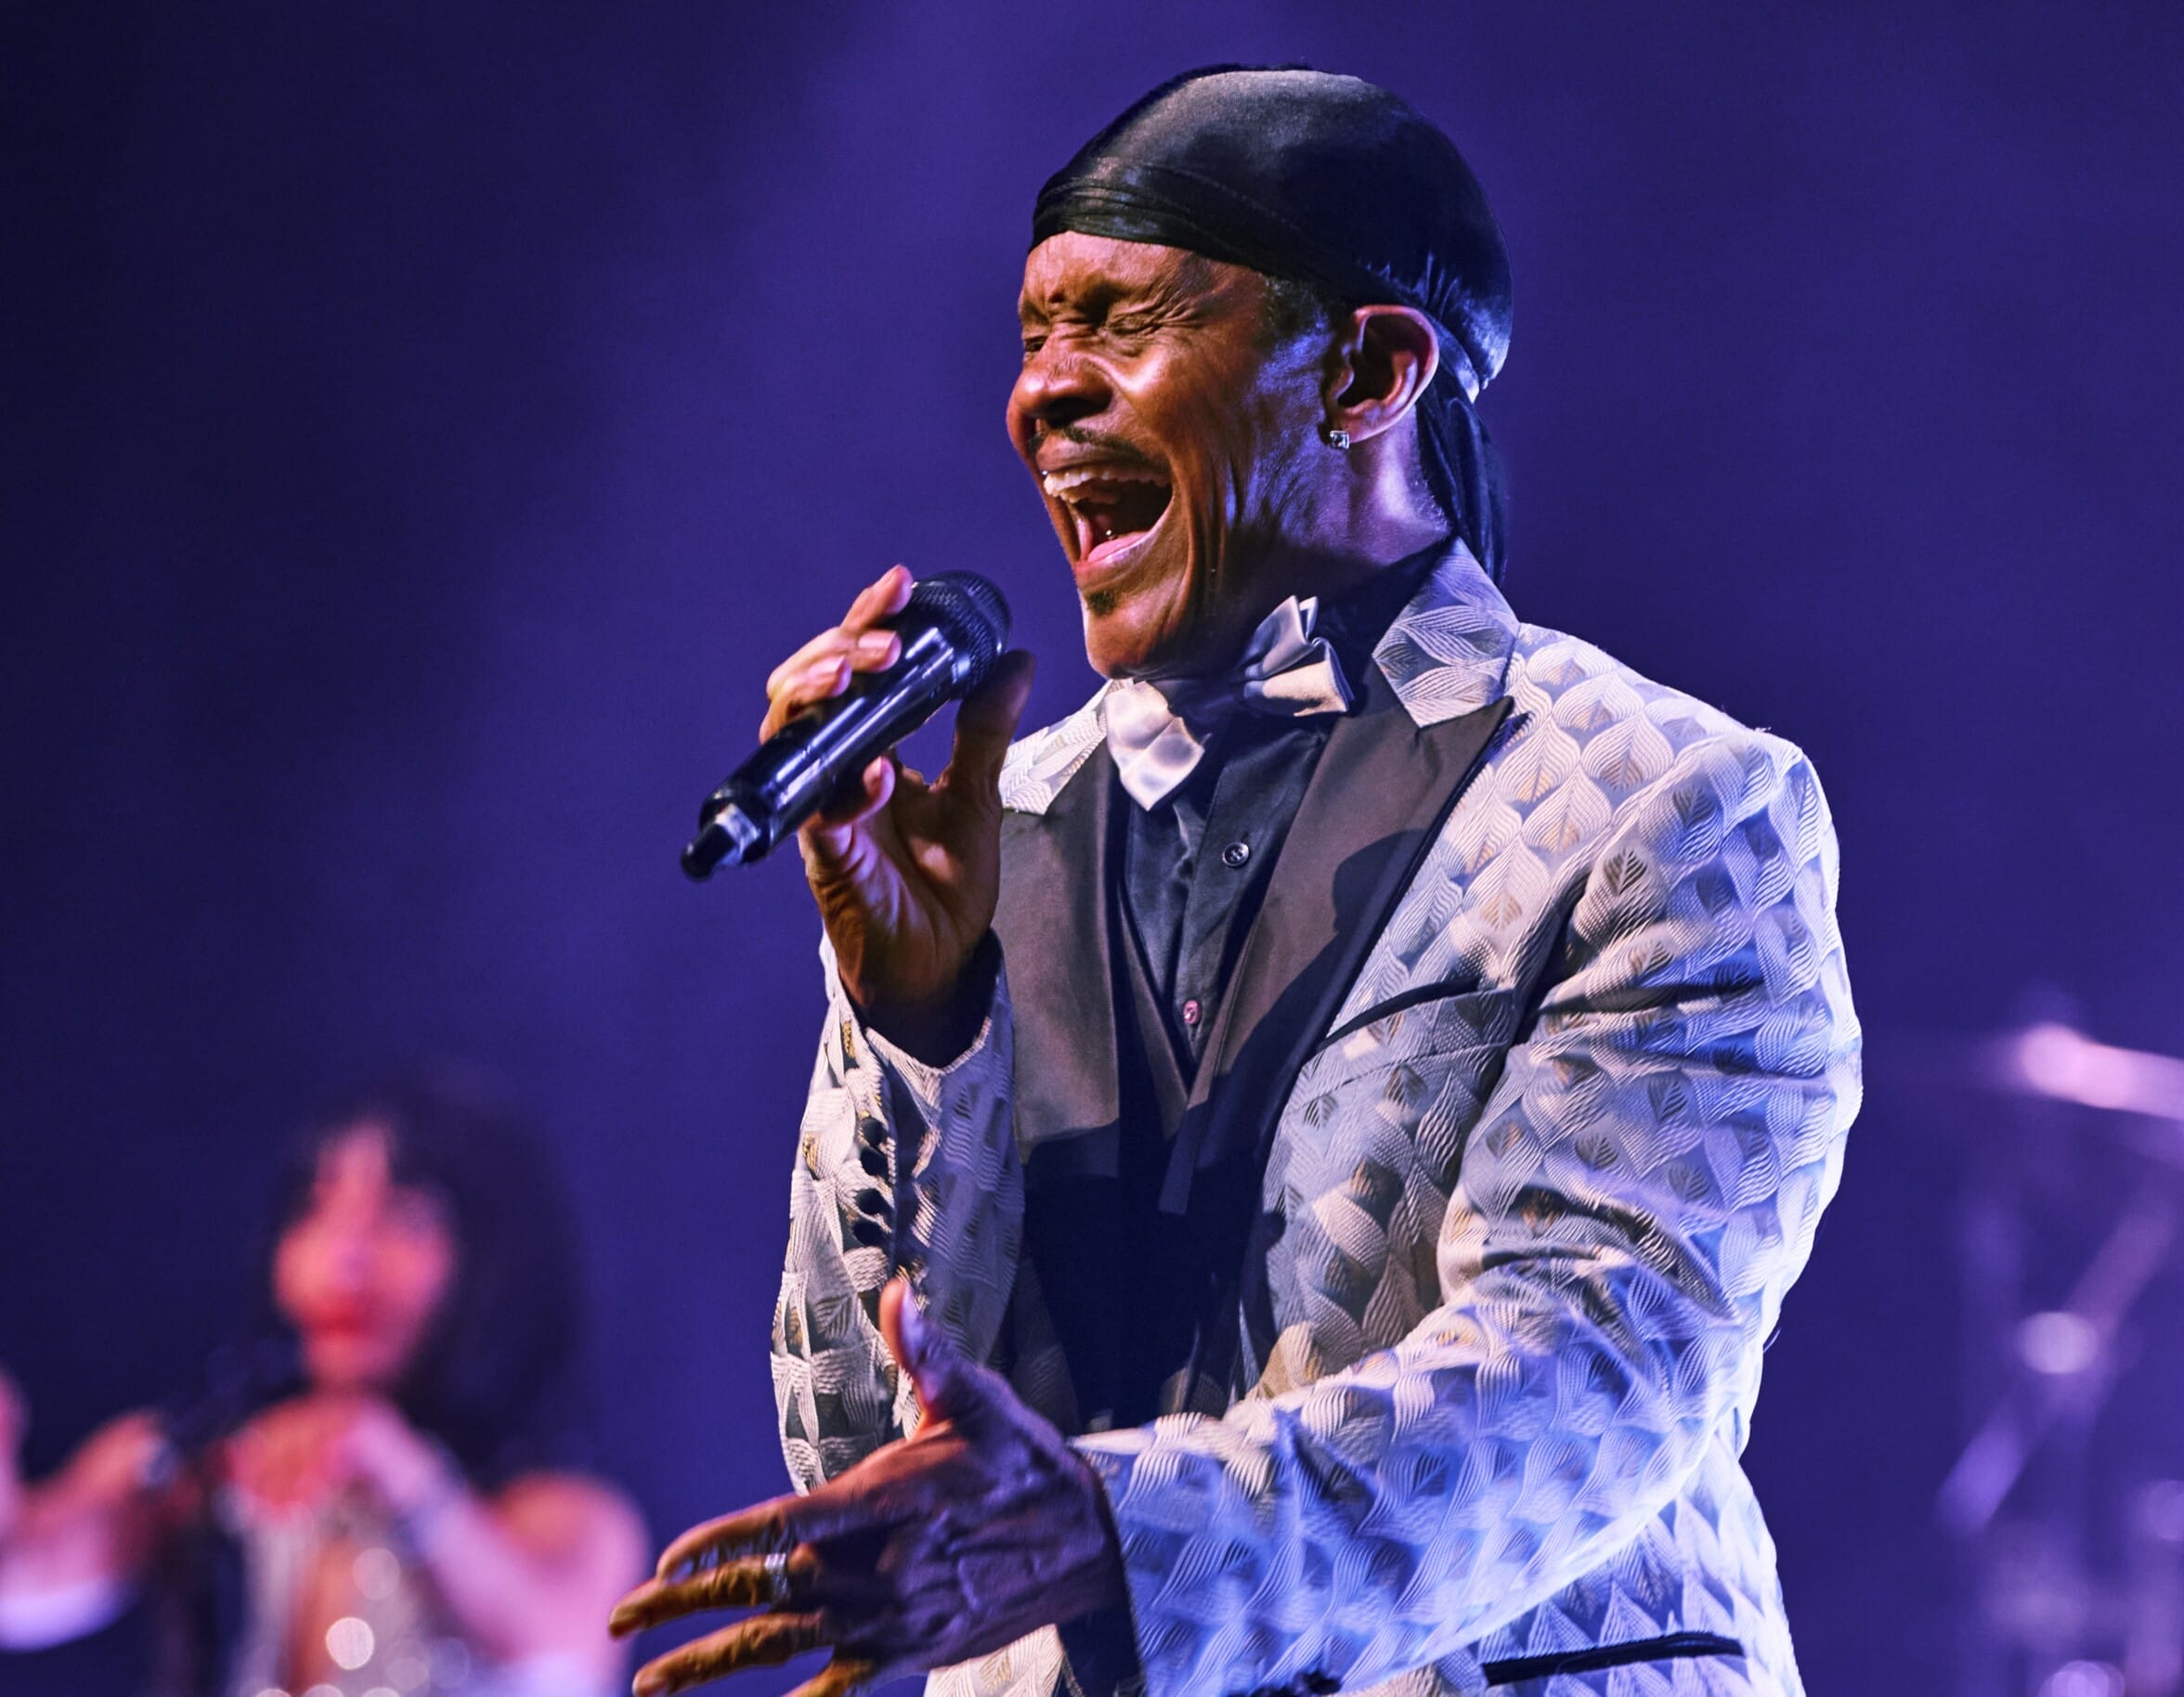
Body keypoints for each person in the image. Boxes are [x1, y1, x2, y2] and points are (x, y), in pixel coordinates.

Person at [614, 66, 1860, 1697]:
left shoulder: (1663, 803)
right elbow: (861, 1448)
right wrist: (915, 1026)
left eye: (1119, 323)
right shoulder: (1005, 821)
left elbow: (1588, 1379)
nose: (1043, 395)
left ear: (1366, 370)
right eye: (1031, 337)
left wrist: (1115, 1534)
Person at [0, 1074, 647, 1696]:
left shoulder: (577, 1522)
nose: (343, 1257)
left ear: (495, 1264)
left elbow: (551, 1644)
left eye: (405, 1217)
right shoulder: (210, 1465)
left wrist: (397, 1468)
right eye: (316, 1206)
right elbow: (22, 1576)